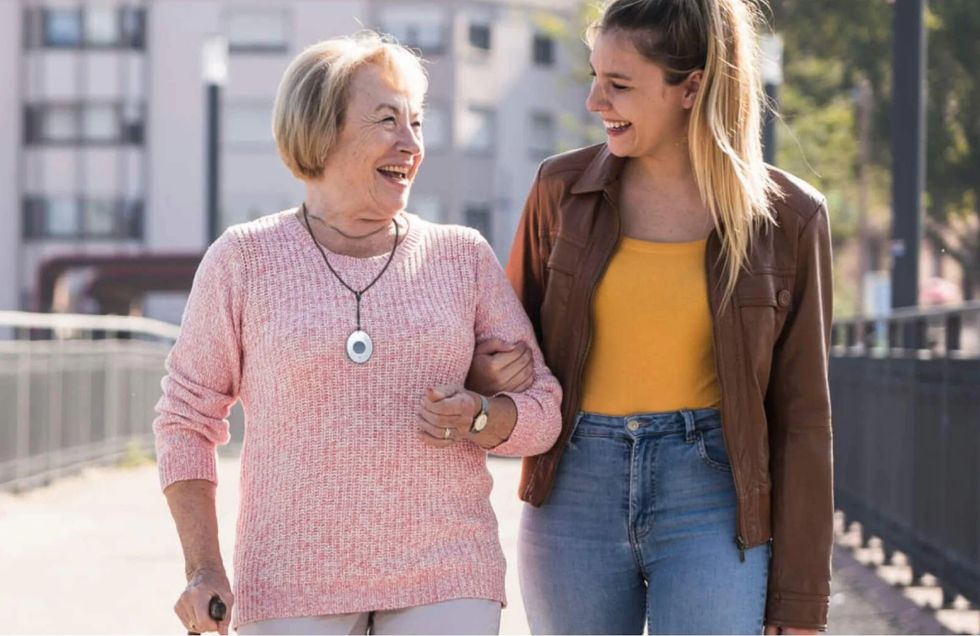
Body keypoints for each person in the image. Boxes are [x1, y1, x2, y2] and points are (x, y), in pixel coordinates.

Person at [153, 32, 562, 635]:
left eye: (417, 122)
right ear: (322, 130)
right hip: (291, 577)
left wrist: (478, 415)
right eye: (388, 120)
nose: (412, 143)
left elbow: (542, 410)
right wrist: (203, 568)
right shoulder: (243, 260)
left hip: (447, 571)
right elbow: (185, 420)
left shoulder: (461, 257)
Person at [467, 0, 834, 633]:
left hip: (713, 499)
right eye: (593, 77)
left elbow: (804, 418)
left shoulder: (790, 219)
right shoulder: (561, 192)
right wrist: (490, 371)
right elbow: (496, 343)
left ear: (691, 87)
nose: (594, 102)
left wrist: (800, 602)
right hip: (573, 489)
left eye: (619, 85)